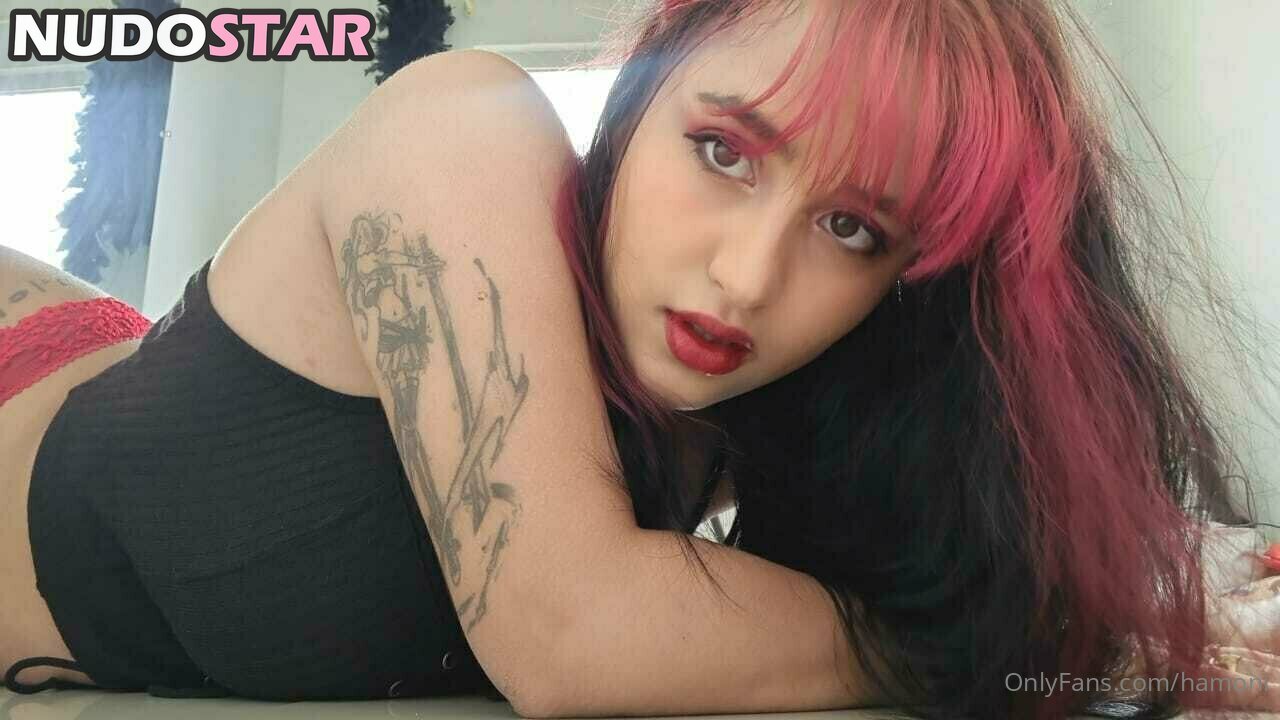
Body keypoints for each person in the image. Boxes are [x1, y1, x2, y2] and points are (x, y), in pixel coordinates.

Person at [2, 0, 1279, 718]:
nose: (746, 277)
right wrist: (1051, 629)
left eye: (851, 227)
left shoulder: (773, 401)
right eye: (723, 150)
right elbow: (577, 636)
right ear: (639, 95)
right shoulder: (460, 124)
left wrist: (1136, 598)